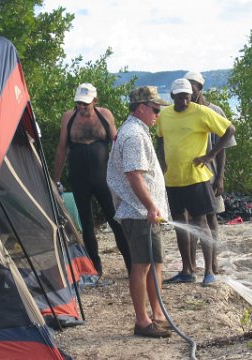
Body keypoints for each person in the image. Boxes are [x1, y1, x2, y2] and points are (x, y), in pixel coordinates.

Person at [157, 78, 235, 286]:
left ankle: (209, 271)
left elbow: (229, 130)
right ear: (172, 96)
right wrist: (162, 161)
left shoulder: (201, 112)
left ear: (191, 96)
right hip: (173, 179)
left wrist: (210, 156)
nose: (184, 101)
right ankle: (186, 270)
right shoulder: (164, 115)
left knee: (201, 224)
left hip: (196, 179)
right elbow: (160, 137)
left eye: (187, 97)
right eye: (180, 97)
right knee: (181, 225)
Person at [107, 86, 171, 338]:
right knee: (142, 265)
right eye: (155, 109)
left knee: (155, 262)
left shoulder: (137, 131)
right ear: (142, 107)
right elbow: (133, 175)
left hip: (144, 212)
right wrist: (150, 206)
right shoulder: (133, 134)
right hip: (138, 212)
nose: (157, 114)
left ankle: (157, 314)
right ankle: (142, 321)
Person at [53, 83, 131, 276]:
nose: (81, 107)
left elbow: (117, 144)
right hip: (79, 177)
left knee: (116, 221)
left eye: (85, 104)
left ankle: (131, 265)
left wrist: (127, 175)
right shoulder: (69, 117)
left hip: (103, 177)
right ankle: (95, 268)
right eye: (79, 103)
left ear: (94, 101)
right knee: (86, 224)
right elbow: (62, 148)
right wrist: (55, 180)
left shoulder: (104, 115)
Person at [183, 71, 237, 274]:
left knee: (211, 217)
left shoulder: (214, 111)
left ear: (200, 89)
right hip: (188, 176)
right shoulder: (182, 112)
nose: (189, 92)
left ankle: (212, 263)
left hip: (210, 174)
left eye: (193, 87)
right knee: (190, 219)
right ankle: (191, 264)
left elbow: (223, 146)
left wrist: (220, 176)